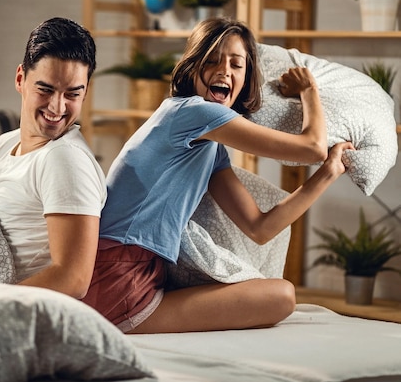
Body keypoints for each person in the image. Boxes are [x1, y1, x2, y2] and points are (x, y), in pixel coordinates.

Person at [81, 17, 354, 333]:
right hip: (119, 274)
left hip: (127, 275)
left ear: (246, 78)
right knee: (281, 296)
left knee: (279, 293)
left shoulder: (209, 149)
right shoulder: (193, 112)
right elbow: (313, 148)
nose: (224, 70)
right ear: (192, 68)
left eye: (236, 65)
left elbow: (260, 228)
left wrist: (329, 173)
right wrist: (308, 89)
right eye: (211, 60)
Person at [0, 17, 106, 299]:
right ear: (20, 79)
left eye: (72, 94)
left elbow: (72, 278)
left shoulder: (65, 161)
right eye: (45, 90)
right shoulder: (5, 143)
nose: (57, 107)